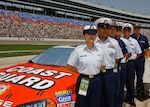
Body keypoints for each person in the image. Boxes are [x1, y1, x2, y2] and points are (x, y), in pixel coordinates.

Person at [67, 24, 105, 107]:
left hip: (96, 80)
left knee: (95, 102)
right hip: (84, 80)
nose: (91, 36)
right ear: (84, 35)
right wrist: (81, 71)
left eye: (93, 34)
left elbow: (103, 65)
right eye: (89, 34)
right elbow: (69, 66)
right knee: (82, 102)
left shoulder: (100, 50)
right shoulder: (78, 50)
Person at [94, 17, 123, 107]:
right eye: (102, 28)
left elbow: (118, 58)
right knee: (97, 98)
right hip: (96, 74)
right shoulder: (92, 42)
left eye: (107, 28)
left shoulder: (114, 42)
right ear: (98, 29)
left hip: (109, 75)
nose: (105, 30)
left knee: (110, 98)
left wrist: (108, 64)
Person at [123, 23, 142, 107]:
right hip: (122, 63)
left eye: (128, 30)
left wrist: (133, 58)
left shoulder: (134, 41)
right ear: (123, 31)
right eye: (125, 30)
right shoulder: (119, 40)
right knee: (122, 80)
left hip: (130, 63)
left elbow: (139, 53)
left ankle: (131, 99)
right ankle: (121, 97)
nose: (126, 32)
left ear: (130, 31)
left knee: (130, 81)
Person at [115, 21, 132, 107]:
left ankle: (119, 103)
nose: (118, 32)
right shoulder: (109, 41)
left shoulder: (122, 42)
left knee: (120, 86)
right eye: (116, 30)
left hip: (122, 65)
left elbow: (128, 53)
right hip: (111, 67)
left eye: (119, 30)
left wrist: (122, 58)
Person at [131, 23, 149, 101]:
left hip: (140, 61)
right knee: (131, 77)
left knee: (140, 77)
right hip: (132, 61)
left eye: (138, 28)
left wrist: (144, 55)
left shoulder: (144, 38)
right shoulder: (130, 38)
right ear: (134, 29)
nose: (137, 30)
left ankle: (139, 93)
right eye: (135, 28)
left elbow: (147, 49)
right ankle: (130, 93)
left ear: (140, 29)